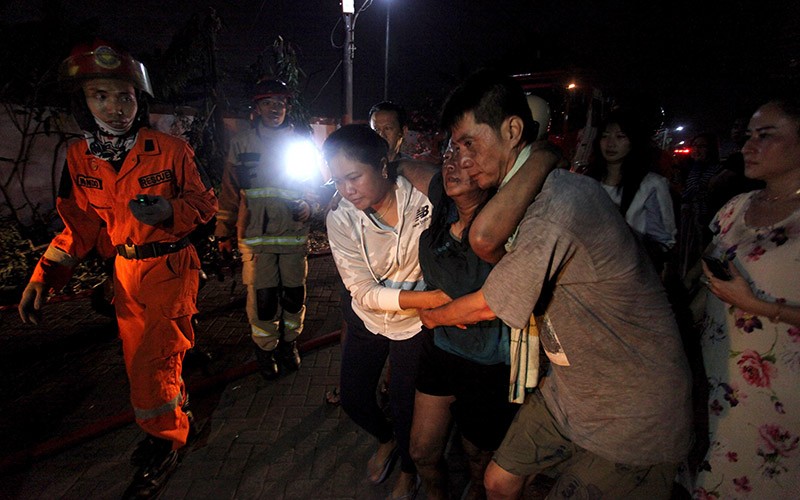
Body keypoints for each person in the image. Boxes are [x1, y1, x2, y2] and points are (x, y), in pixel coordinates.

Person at [420, 69, 693, 499]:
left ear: (512, 130)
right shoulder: (525, 194)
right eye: (455, 147)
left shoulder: (558, 205)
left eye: (470, 143)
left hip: (630, 408)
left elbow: (488, 302)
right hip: (570, 391)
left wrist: (432, 317)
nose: (463, 158)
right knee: (498, 480)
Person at [17, 41, 218, 498]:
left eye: (124, 96)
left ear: (138, 97)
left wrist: (171, 210)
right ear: (83, 103)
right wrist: (43, 275)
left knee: (152, 363)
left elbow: (206, 203)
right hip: (126, 275)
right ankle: (170, 413)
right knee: (142, 362)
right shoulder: (79, 158)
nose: (115, 108)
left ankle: (168, 439)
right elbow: (79, 226)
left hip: (170, 267)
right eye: (100, 96)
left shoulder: (170, 149)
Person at [323, 124, 451, 499]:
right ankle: (386, 439)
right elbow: (362, 291)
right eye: (337, 180)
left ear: (382, 167)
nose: (347, 190)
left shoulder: (422, 200)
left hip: (414, 328)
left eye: (353, 177)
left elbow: (454, 193)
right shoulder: (341, 217)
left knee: (406, 404)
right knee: (354, 398)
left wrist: (409, 165)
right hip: (372, 320)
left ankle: (410, 472)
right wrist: (433, 300)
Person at [692, 98, 800, 498]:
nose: (748, 147)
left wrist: (758, 307)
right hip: (723, 379)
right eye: (748, 136)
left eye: (766, 136)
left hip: (785, 395)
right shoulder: (736, 208)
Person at [405, 148, 521, 500]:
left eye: (466, 158)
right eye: (448, 157)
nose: (453, 164)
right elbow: (412, 169)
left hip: (487, 361)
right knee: (422, 452)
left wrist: (434, 314)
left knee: (477, 457)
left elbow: (493, 304)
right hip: (439, 349)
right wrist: (386, 162)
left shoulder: (507, 225)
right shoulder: (443, 206)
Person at [215, 78, 322, 379]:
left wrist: (310, 207)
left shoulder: (301, 144)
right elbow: (229, 191)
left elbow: (314, 187)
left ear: (287, 106)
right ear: (257, 107)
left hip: (292, 235)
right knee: (263, 301)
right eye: (268, 102)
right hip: (256, 238)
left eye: (280, 102)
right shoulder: (242, 143)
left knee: (293, 295)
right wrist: (223, 232)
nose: (275, 108)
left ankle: (289, 344)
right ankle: (265, 349)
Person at [585, 112, 677, 271]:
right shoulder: (587, 180)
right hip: (587, 267)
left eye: (620, 137)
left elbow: (663, 240)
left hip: (627, 273)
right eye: (605, 136)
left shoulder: (652, 185)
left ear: (634, 142)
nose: (610, 143)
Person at [678, 132, 723, 277]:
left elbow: (701, 191)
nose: (697, 150)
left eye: (702, 146)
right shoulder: (692, 169)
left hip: (708, 219)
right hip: (691, 221)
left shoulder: (717, 170)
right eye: (695, 146)